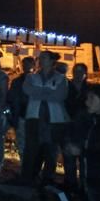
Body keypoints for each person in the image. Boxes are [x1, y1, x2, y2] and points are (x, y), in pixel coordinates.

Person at [21, 51, 70, 185]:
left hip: (54, 119)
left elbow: (60, 96)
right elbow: (27, 90)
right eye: (40, 57)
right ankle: (28, 176)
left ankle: (47, 178)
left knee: (51, 150)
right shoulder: (31, 77)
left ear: (52, 61)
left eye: (44, 57)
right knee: (31, 148)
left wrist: (39, 93)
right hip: (34, 117)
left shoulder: (61, 78)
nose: (40, 60)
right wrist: (48, 92)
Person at [62, 62, 91, 192]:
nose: (78, 74)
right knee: (68, 159)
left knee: (85, 161)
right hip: (68, 127)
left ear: (86, 74)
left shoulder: (90, 89)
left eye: (81, 71)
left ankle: (85, 188)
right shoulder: (65, 86)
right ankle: (70, 185)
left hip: (85, 128)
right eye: (76, 71)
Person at [7, 56, 35, 163]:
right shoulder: (17, 81)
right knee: (22, 143)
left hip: (33, 116)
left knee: (32, 143)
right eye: (25, 64)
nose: (26, 67)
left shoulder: (37, 80)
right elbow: (11, 98)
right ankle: (25, 167)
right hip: (21, 115)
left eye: (29, 64)